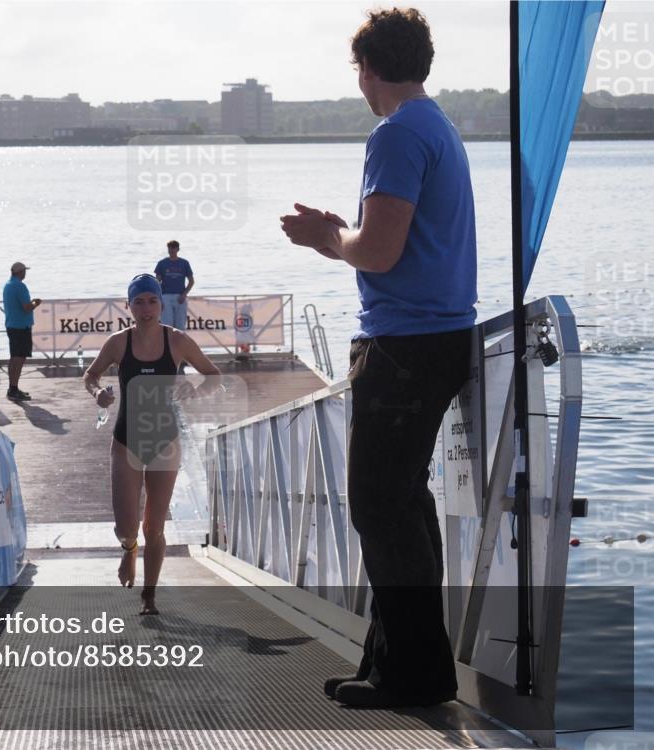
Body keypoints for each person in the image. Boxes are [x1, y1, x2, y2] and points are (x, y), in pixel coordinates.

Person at [280, 7, 476, 709]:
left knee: (378, 506)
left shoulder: (395, 134)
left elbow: (381, 252)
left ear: (370, 68)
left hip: (404, 345)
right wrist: (346, 231)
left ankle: (417, 676)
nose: (359, 83)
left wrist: (327, 240)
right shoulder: (438, 126)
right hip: (440, 336)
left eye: (357, 70)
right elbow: (395, 239)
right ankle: (394, 662)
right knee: (403, 504)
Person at [83, 274, 221, 615]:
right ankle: (128, 549)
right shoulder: (118, 343)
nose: (146, 309)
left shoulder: (177, 341)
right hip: (126, 441)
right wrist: (98, 393)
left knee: (154, 527)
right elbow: (90, 374)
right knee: (127, 526)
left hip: (165, 441)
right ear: (129, 306)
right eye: (139, 302)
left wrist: (195, 390)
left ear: (162, 304)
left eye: (152, 301)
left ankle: (149, 596)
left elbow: (214, 375)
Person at [2, 262, 41, 401]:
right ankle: (13, 388)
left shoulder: (7, 285)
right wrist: (36, 303)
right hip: (21, 327)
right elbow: (26, 307)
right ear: (20, 272)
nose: (25, 273)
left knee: (14, 358)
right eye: (24, 271)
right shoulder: (20, 286)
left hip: (12, 325)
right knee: (19, 358)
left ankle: (12, 388)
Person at [154, 240, 194, 331]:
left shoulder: (184, 263)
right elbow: (156, 282)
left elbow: (191, 281)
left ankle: (179, 344)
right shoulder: (162, 263)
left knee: (180, 326)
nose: (171, 250)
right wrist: (159, 298)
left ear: (178, 249)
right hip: (165, 297)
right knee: (167, 326)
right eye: (170, 248)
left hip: (180, 296)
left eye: (173, 248)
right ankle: (167, 344)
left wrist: (184, 294)